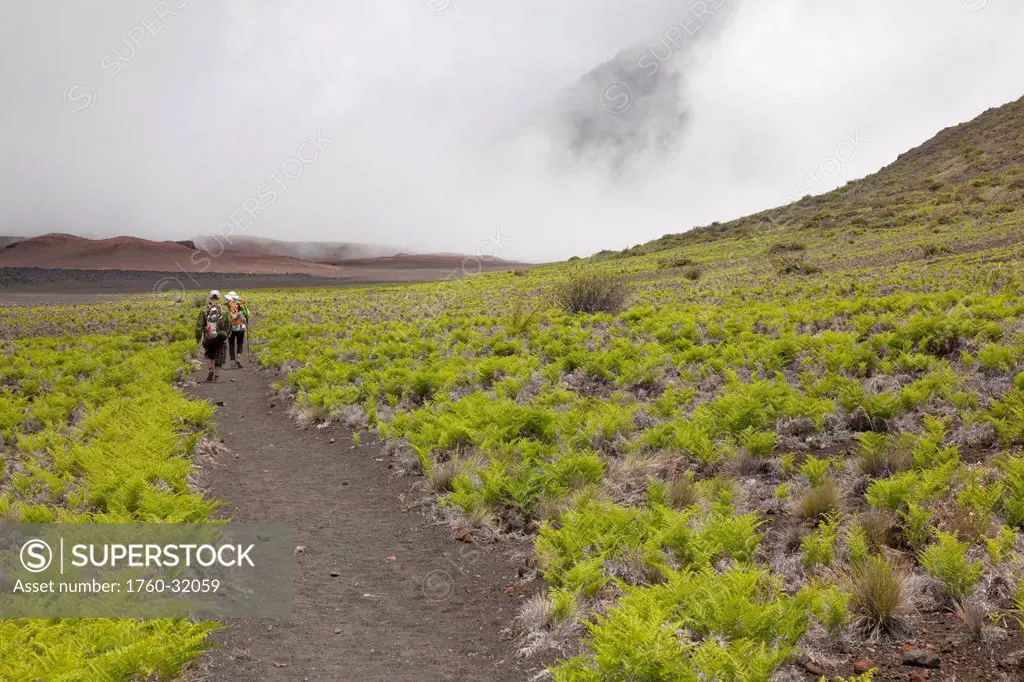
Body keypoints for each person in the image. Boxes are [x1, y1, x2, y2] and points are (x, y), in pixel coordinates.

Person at [195, 290, 230, 382]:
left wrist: (198, 337)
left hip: (209, 336)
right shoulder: (224, 311)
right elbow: (228, 324)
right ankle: (217, 376)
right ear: (218, 297)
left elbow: (199, 326)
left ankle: (211, 370)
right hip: (221, 336)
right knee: (220, 353)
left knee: (209, 352)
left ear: (210, 297)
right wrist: (226, 334)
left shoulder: (204, 310)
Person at [226, 291, 250, 368]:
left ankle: (232, 362)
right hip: (241, 327)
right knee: (240, 343)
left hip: (232, 327)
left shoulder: (229, 306)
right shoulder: (241, 305)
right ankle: (239, 358)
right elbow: (247, 315)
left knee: (231, 344)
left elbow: (227, 318)